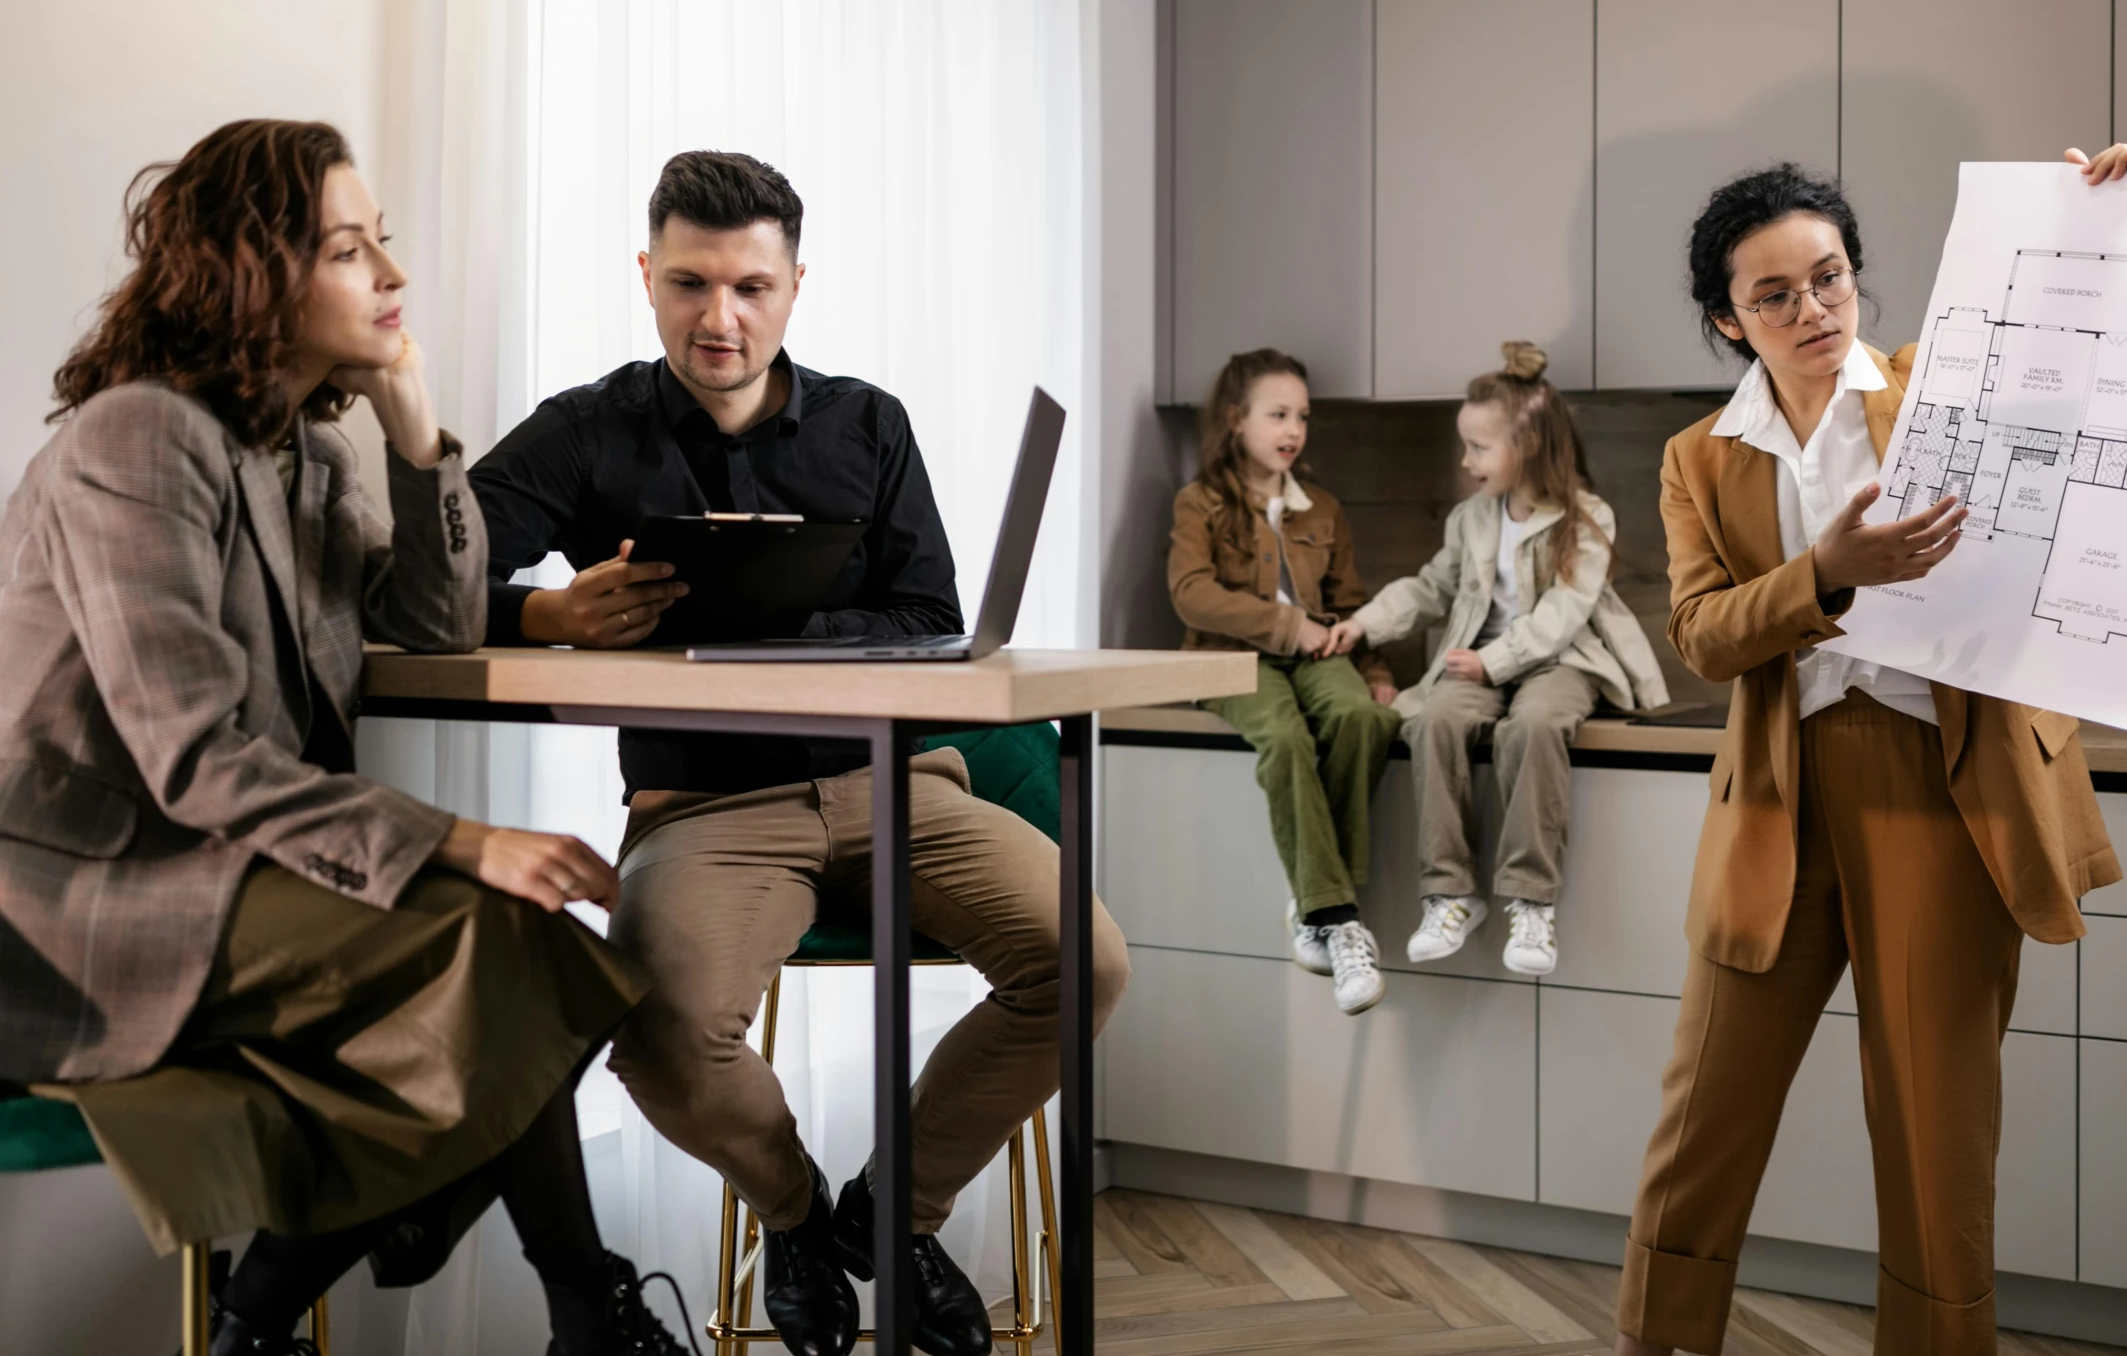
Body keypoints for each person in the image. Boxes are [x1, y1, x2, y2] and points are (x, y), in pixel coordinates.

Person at [0, 119, 684, 1356]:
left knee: (529, 943)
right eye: (349, 250)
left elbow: (426, 619)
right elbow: (194, 757)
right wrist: (464, 841)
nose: (391, 276)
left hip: (223, 870)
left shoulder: (301, 453)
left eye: (383, 245)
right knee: (513, 944)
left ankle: (308, 1309)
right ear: (253, 273)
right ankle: (546, 1297)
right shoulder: (137, 439)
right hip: (91, 904)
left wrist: (414, 433)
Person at [468, 149, 1131, 1356]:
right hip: (705, 811)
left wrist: (762, 624)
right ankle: (798, 1210)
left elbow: (931, 613)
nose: (718, 318)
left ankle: (893, 1217)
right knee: (662, 1043)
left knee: (1083, 961)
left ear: (794, 285)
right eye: (688, 284)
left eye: (750, 288)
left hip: (899, 784)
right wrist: (545, 614)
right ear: (647, 276)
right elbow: (425, 579)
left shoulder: (867, 423)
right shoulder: (586, 431)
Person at [1611, 140, 2127, 1356]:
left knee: (1934, 1132)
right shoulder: (1698, 458)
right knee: (1701, 1121)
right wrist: (1823, 578)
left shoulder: (1943, 385)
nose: (1810, 309)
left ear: (1855, 275)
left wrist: (2107, 216)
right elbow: (1702, 636)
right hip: (1777, 798)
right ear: (1726, 320)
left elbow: (2086, 353)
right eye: (1774, 294)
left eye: (1829, 277)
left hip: (1938, 790)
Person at [1332, 342, 1670, 977]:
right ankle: (1450, 891)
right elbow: (1429, 588)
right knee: (1432, 721)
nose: (1467, 461)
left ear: (1530, 446)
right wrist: (1363, 624)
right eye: (1466, 447)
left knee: (1535, 726)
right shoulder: (1471, 519)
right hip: (1477, 661)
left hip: (1561, 661)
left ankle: (1530, 898)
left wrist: (1495, 662)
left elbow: (1564, 614)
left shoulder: (1588, 518)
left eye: (1479, 448)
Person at [1166, 349, 1400, 1015]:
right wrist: (1284, 624)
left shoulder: (1321, 506)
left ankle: (1313, 903)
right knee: (1286, 739)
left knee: (1366, 719)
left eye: (1301, 415)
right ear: (1237, 419)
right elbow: (1190, 594)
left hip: (1320, 652)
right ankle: (1340, 917)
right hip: (1227, 659)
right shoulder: (1200, 501)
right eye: (1278, 414)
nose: (1293, 428)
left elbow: (1350, 598)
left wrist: (1376, 669)